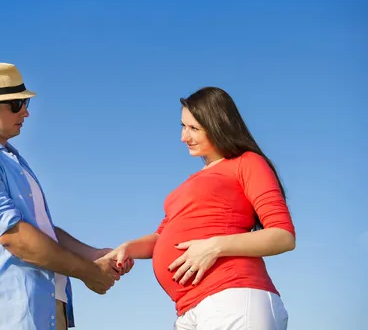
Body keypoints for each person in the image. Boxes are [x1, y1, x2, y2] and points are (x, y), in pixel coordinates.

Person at [0, 63, 131, 330]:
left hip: (45, 313)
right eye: (16, 103)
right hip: (6, 316)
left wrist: (95, 255)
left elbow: (42, 230)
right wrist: (89, 273)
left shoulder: (13, 159)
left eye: (25, 102)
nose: (26, 112)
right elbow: (14, 236)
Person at [106, 86, 296, 329]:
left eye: (194, 128)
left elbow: (283, 236)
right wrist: (128, 248)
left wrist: (213, 247)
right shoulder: (191, 182)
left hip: (233, 296)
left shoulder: (247, 163)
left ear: (219, 125)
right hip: (189, 309)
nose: (184, 137)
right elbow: (162, 237)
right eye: (183, 126)